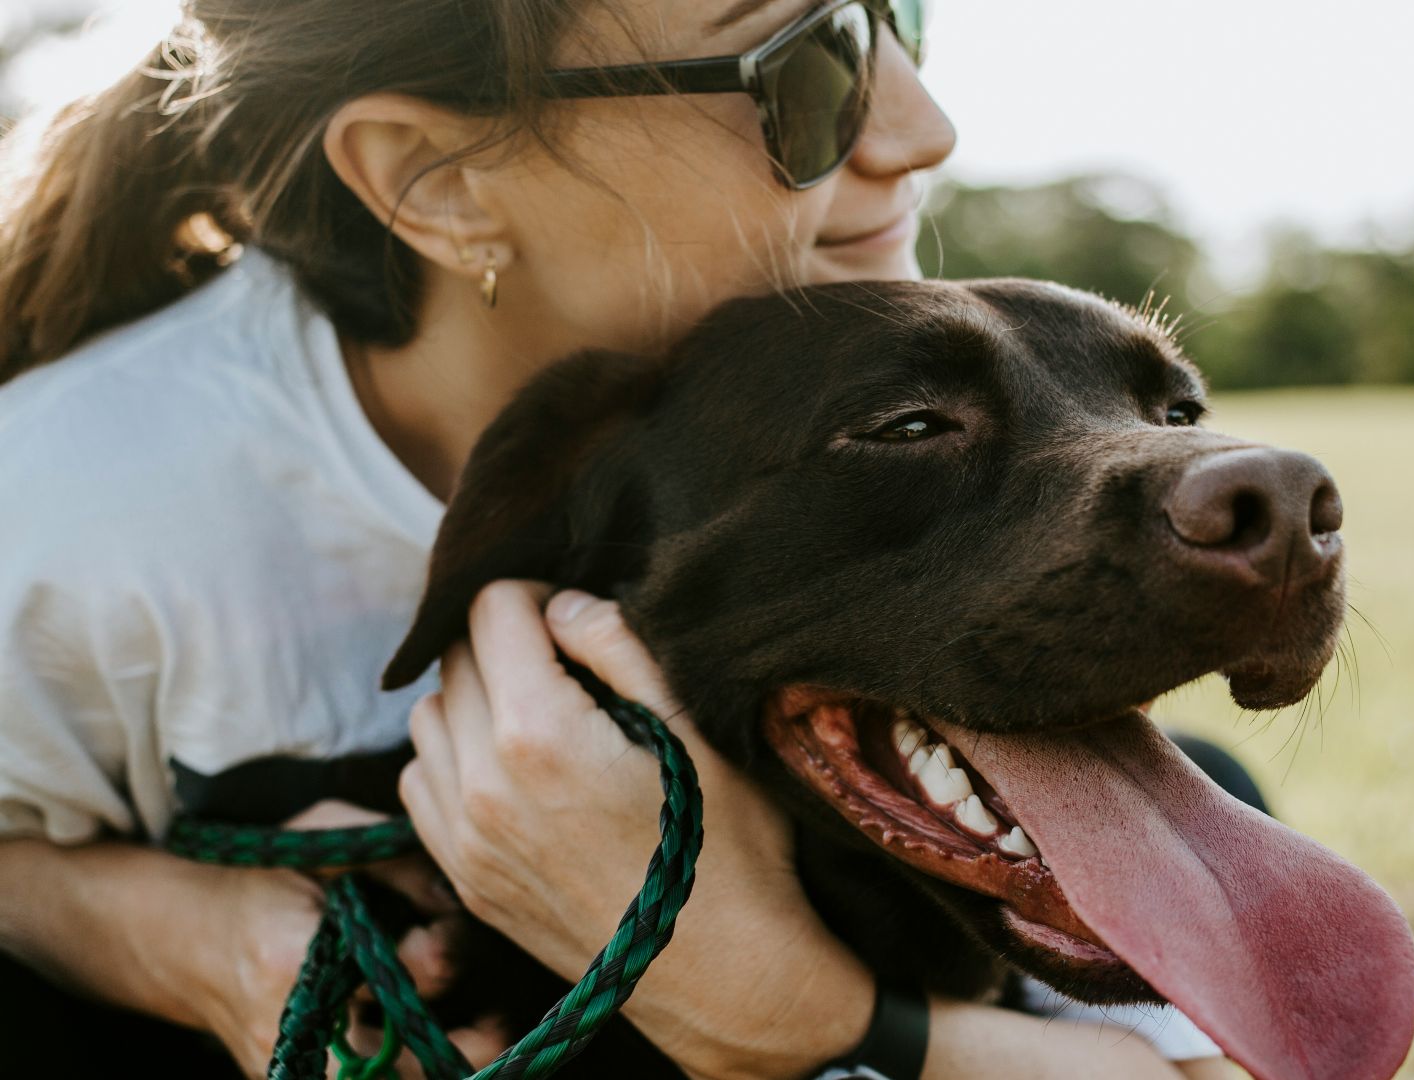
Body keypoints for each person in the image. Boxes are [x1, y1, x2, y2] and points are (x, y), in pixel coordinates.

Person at [0, 1, 1245, 1076]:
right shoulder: (70, 506)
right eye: (801, 71)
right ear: (438, 181)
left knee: (1211, 785)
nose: (921, 126)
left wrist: (775, 1005)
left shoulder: (855, 342)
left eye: (890, 16)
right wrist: (195, 941)